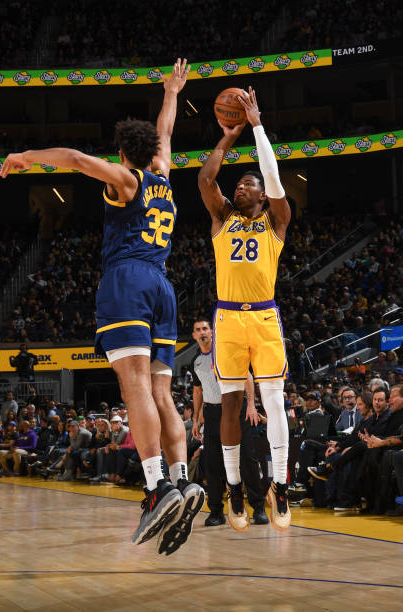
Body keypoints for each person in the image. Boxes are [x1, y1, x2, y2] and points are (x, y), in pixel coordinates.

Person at [1, 58, 204, 553]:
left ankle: (156, 488)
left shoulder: (128, 179)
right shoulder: (164, 175)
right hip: (162, 286)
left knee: (133, 387)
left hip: (128, 281)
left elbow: (72, 157)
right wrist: (171, 91)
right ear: (152, 152)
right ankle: (180, 479)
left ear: (120, 153)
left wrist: (27, 155)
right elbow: (166, 131)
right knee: (161, 392)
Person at [198, 87, 291, 531]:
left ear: (261, 195)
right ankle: (234, 487)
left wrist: (257, 127)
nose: (241, 185)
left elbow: (274, 181)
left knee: (274, 400)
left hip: (265, 316)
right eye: (239, 183)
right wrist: (228, 136)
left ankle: (282, 484)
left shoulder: (276, 220)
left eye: (247, 184)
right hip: (229, 317)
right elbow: (205, 180)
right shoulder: (222, 217)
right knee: (230, 403)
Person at [191, 319, 269, 526]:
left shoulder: (225, 352)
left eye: (205, 328)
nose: (202, 332)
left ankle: (258, 508)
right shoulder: (196, 360)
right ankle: (216, 512)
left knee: (246, 459)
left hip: (235, 408)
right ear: (194, 336)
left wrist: (252, 405)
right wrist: (197, 416)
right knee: (213, 464)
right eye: (198, 330)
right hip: (212, 412)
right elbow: (197, 390)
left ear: (212, 332)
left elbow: (248, 377)